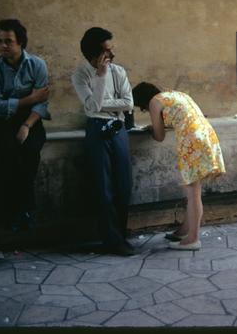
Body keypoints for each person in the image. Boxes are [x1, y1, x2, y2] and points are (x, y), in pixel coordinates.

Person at [132, 82, 226, 251]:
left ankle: (193, 239)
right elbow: (180, 117)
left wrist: (152, 128)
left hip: (192, 142)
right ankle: (184, 231)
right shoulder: (176, 95)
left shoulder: (154, 102)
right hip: (205, 135)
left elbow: (159, 136)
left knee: (193, 194)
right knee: (195, 192)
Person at [71, 27, 136, 256]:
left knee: (124, 184)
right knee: (103, 187)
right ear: (94, 54)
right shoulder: (81, 75)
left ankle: (121, 234)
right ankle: (112, 240)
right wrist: (99, 77)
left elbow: (128, 102)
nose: (112, 54)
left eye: (111, 49)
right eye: (107, 51)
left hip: (117, 128)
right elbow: (91, 108)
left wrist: (104, 102)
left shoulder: (118, 72)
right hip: (97, 130)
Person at [0, 19, 50, 232]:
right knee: (9, 160)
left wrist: (26, 125)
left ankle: (26, 212)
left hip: (31, 120)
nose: (3, 46)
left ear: (20, 42)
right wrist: (29, 98)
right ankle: (13, 214)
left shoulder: (37, 65)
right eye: (0, 41)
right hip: (2, 123)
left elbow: (42, 104)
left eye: (9, 41)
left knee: (30, 156)